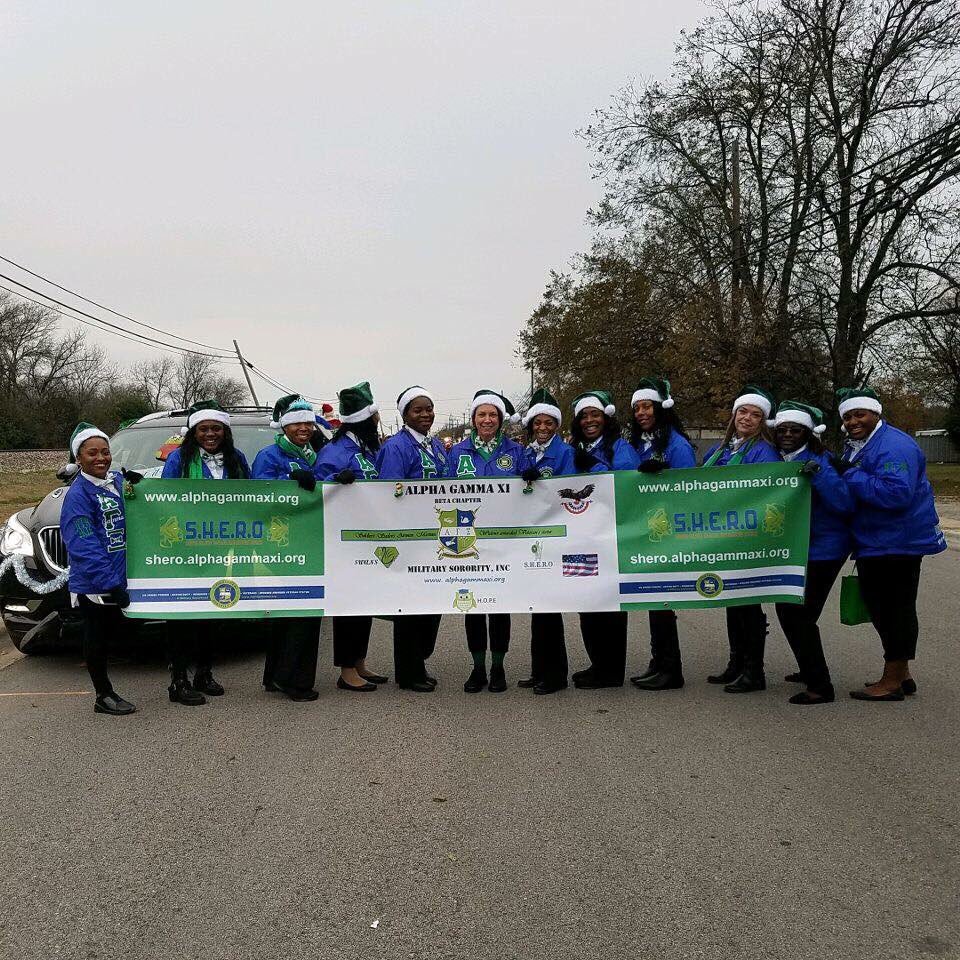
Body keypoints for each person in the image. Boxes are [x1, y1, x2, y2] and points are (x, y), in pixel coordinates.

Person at [835, 387, 946, 702]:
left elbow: (895, 495)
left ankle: (892, 680)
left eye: (860, 414)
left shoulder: (894, 446)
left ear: (875, 413)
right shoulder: (861, 444)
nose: (854, 421)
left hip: (898, 541)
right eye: (848, 416)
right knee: (883, 607)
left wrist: (850, 475)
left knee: (894, 609)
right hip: (877, 540)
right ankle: (902, 673)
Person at [160, 400, 251, 706]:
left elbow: (250, 496)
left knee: (213, 610)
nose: (210, 434)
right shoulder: (179, 459)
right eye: (203, 429)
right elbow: (163, 498)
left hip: (222, 549)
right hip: (187, 551)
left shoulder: (237, 459)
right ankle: (178, 680)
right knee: (182, 615)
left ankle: (204, 672)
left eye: (216, 428)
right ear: (193, 431)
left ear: (225, 430)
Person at [445, 390, 526, 693]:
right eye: (482, 415)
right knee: (473, 605)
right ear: (474, 419)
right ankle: (477, 668)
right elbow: (442, 492)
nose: (488, 420)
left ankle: (498, 667)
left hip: (504, 540)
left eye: (493, 415)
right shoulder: (458, 453)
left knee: (500, 606)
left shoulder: (516, 451)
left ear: (501, 420)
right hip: (468, 539)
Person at [772, 401, 852, 705]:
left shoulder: (821, 460)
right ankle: (809, 668)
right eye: (783, 430)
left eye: (796, 430)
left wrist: (819, 475)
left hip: (825, 548)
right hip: (796, 548)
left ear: (808, 433)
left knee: (797, 614)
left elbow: (844, 503)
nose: (789, 434)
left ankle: (820, 685)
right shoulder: (776, 460)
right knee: (792, 610)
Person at [703, 385, 780, 693]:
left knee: (748, 604)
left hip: (748, 538)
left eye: (755, 414)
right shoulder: (721, 449)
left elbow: (770, 492)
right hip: (722, 538)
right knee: (732, 602)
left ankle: (754, 670)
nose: (747, 418)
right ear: (734, 415)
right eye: (743, 412)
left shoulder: (764, 451)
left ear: (763, 421)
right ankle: (736, 663)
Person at [315, 381, 389, 692]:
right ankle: (346, 671)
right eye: (373, 417)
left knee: (365, 603)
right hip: (344, 540)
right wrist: (335, 479)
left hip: (369, 535)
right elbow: (319, 489)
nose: (377, 422)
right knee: (349, 605)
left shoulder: (369, 448)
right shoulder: (336, 451)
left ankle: (359, 662)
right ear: (361, 419)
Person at [374, 385, 448, 692]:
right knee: (410, 606)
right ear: (404, 414)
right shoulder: (396, 447)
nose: (425, 414)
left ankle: (419, 661)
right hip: (410, 539)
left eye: (429, 408)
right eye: (418, 410)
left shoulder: (435, 446)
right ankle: (408, 672)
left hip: (436, 537)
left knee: (432, 603)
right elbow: (388, 492)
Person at [251, 394, 324, 701]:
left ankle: (276, 676)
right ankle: (293, 680)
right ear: (285, 428)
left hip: (310, 540)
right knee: (296, 611)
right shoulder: (270, 455)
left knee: (302, 610)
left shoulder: (315, 453)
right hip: (281, 542)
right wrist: (289, 480)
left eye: (308, 423)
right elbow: (258, 496)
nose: (303, 429)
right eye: (297, 424)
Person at [60, 423, 135, 716]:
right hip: (96, 583)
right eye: (92, 453)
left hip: (120, 575)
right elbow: (83, 544)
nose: (101, 458)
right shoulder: (78, 496)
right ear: (79, 458)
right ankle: (103, 695)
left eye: (105, 451)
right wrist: (110, 582)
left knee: (113, 635)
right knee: (97, 637)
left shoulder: (115, 481)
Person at [627, 378, 696, 691]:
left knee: (663, 599)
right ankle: (659, 661)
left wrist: (663, 477)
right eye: (637, 408)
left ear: (660, 408)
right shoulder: (640, 442)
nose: (642, 413)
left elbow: (687, 489)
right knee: (653, 599)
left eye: (647, 406)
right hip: (647, 528)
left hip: (666, 531)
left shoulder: (676, 444)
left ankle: (672, 668)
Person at [568, 390, 639, 689]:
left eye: (594, 414)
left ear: (606, 417)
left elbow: (625, 482)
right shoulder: (574, 447)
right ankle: (597, 663)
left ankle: (611, 671)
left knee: (609, 605)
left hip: (610, 536)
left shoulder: (619, 447)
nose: (589, 421)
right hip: (582, 536)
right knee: (588, 603)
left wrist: (594, 466)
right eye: (584, 416)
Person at [517, 388, 575, 694]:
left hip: (553, 535)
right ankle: (538, 668)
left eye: (548, 423)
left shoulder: (564, 453)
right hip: (530, 536)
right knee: (535, 606)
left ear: (556, 425)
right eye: (537, 423)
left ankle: (555, 675)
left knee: (550, 607)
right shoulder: (526, 452)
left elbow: (569, 492)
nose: (542, 428)